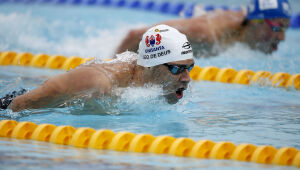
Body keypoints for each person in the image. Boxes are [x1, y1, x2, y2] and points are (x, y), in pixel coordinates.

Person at [0, 25, 195, 112]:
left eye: (189, 68)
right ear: (150, 65)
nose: (187, 78)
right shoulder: (100, 81)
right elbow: (21, 105)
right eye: (178, 69)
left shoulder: (149, 85)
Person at [115, 0, 292, 57]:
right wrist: (112, 68)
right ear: (256, 22)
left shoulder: (245, 23)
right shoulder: (206, 33)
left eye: (286, 27)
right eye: (277, 28)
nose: (283, 37)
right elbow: (136, 35)